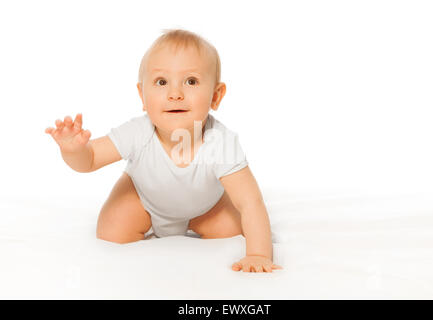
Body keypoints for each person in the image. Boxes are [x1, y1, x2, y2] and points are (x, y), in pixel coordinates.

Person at [45, 28, 282, 273]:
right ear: (143, 96)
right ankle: (140, 217)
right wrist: (74, 151)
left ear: (215, 95)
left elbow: (250, 202)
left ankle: (204, 222)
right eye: (161, 82)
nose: (175, 94)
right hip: (144, 200)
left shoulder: (220, 142)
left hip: (205, 208)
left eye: (191, 81)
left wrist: (258, 254)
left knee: (232, 232)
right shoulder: (138, 133)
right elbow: (91, 160)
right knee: (111, 232)